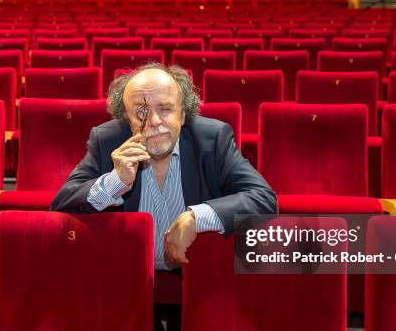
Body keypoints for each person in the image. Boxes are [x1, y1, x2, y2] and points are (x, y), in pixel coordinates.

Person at [50, 63, 277, 270]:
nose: (154, 121)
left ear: (183, 113)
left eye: (166, 109)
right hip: (127, 275)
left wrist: (198, 217)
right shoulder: (107, 139)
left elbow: (263, 198)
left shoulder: (212, 139)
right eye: (141, 111)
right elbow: (62, 203)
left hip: (196, 277)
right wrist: (115, 181)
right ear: (126, 118)